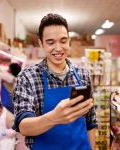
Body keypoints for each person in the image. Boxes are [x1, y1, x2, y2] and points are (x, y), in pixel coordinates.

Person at [13, 13, 98, 150]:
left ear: (69, 40)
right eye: (51, 42)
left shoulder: (82, 75)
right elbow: (23, 126)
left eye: (63, 41)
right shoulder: (27, 77)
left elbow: (91, 122)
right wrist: (55, 117)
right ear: (41, 43)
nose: (58, 48)